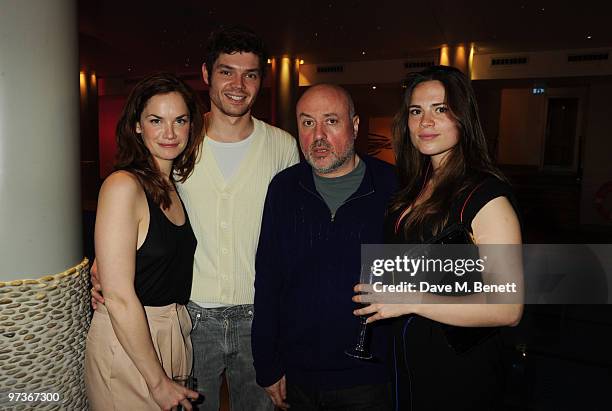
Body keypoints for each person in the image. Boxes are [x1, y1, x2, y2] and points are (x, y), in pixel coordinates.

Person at [91, 25, 299, 411]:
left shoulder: (283, 147)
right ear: (206, 75)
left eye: (250, 74)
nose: (238, 84)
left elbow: (292, 237)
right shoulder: (181, 145)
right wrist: (109, 266)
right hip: (191, 318)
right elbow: (136, 224)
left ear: (261, 81)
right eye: (226, 71)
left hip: (259, 315)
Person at [353, 65, 523, 410]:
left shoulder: (487, 197)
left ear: (463, 117)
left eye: (440, 109)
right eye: (416, 111)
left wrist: (410, 299)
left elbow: (508, 308)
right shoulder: (414, 188)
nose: (425, 122)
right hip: (409, 361)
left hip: (460, 370)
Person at [252, 84, 397, 411]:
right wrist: (267, 364)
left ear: (355, 126)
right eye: (306, 122)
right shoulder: (283, 188)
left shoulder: (393, 187)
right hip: (297, 377)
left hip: (370, 378)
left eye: (331, 121)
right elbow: (268, 281)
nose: (317, 135)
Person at [84, 73, 203, 410]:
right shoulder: (123, 185)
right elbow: (119, 297)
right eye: (156, 120)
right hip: (130, 338)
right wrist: (157, 380)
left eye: (180, 120)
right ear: (137, 125)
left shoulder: (172, 187)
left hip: (174, 330)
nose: (170, 133)